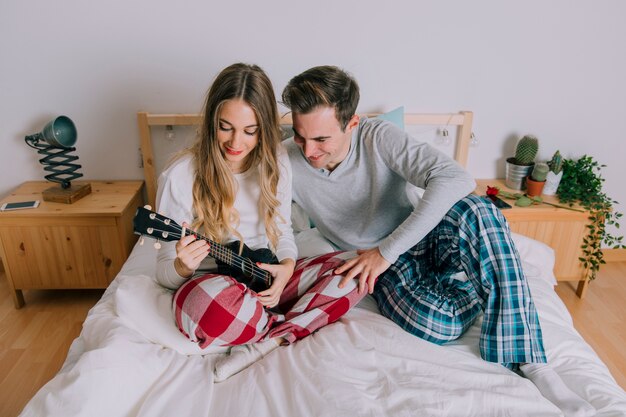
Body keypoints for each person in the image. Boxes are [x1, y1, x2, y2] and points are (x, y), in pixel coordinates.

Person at [281, 65, 595, 417]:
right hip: (378, 261)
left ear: (352, 123)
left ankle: (533, 363)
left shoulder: (377, 136)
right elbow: (267, 219)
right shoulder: (284, 160)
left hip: (416, 237)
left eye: (321, 139)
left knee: (480, 212)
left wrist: (386, 250)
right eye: (299, 135)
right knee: (436, 324)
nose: (308, 150)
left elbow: (456, 178)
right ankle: (479, 284)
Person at [155, 63, 364, 381]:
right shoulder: (180, 176)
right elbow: (163, 275)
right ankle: (290, 324)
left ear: (264, 128)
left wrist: (287, 267)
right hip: (217, 287)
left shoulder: (276, 162)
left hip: (264, 278)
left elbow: (281, 230)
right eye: (225, 127)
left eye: (250, 131)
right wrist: (182, 266)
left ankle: (267, 340)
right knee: (203, 306)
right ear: (212, 121)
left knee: (356, 270)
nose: (236, 142)